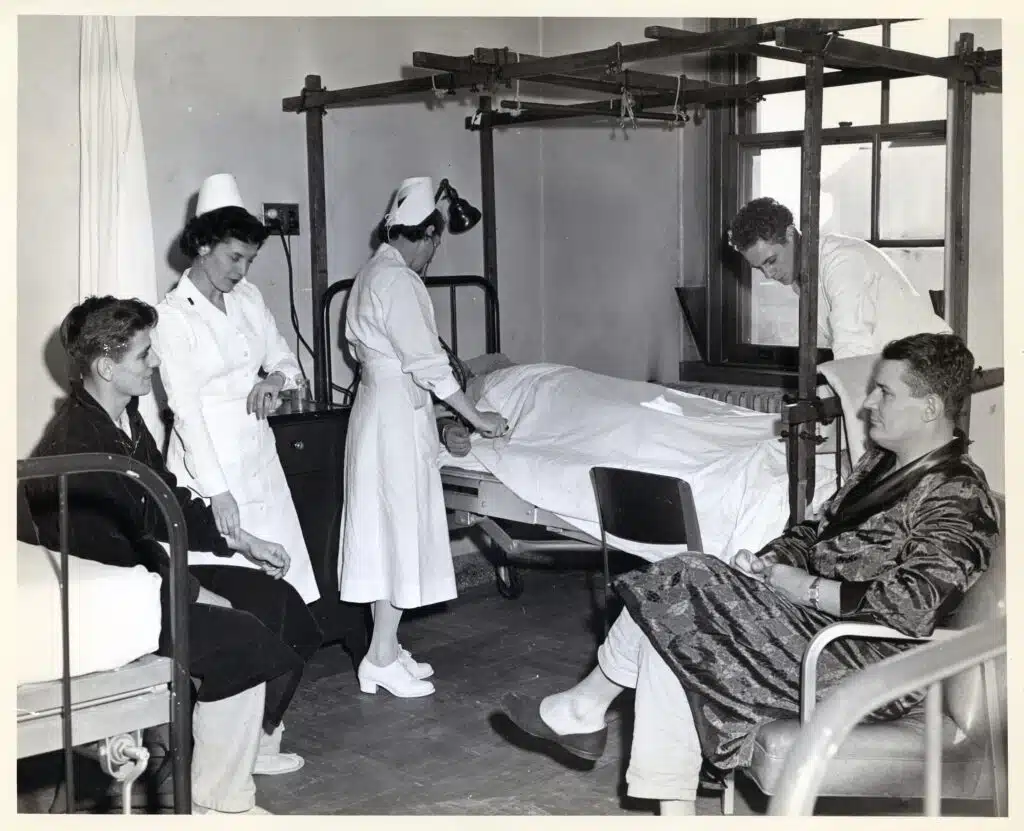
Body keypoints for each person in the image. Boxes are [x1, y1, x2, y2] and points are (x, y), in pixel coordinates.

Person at [499, 332, 999, 816]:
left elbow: (912, 605)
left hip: (867, 664)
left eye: (885, 392)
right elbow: (815, 532)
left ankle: (585, 708)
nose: (867, 403)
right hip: (814, 631)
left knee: (686, 577)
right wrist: (771, 561)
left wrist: (799, 585)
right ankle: (668, 806)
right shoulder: (878, 465)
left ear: (931, 408)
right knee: (668, 628)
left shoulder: (958, 494)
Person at [26, 297, 323, 814]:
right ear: (105, 367)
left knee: (280, 603)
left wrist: (241, 540)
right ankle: (218, 802)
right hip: (105, 599)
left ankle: (246, 746)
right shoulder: (78, 445)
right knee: (240, 640)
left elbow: (168, 500)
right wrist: (189, 589)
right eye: (144, 356)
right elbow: (111, 554)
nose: (156, 363)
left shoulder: (123, 416)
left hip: (139, 576)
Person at [339, 176, 509, 698]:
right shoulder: (400, 283)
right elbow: (428, 363)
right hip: (393, 421)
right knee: (397, 535)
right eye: (436, 241)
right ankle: (382, 657)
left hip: (382, 414)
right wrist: (476, 417)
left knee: (383, 536)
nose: (435, 252)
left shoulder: (371, 275)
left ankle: (383, 649)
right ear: (426, 234)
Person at [150, 173, 320, 610]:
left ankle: (279, 673)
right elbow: (185, 412)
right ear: (203, 246)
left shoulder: (247, 298)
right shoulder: (172, 318)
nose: (241, 271)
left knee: (283, 583)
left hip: (259, 454)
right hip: (209, 464)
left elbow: (287, 360)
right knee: (229, 596)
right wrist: (218, 493)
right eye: (233, 258)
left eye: (249, 260)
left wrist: (274, 380)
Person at [728, 197, 951, 360]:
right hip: (896, 368)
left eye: (771, 260)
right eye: (759, 268)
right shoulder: (805, 279)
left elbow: (851, 349)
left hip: (929, 367)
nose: (769, 274)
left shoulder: (841, 262)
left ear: (789, 234)